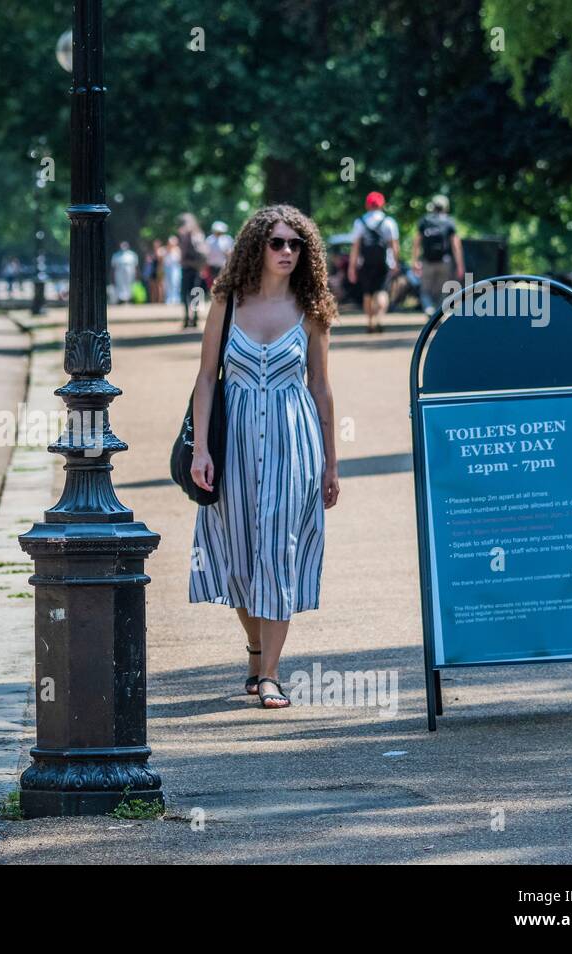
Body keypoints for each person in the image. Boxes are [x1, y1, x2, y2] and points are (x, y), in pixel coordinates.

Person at [188, 205, 340, 709]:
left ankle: (271, 674)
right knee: (237, 556)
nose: (287, 252)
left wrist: (331, 464)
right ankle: (255, 651)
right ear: (257, 247)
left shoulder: (312, 308)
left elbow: (320, 386)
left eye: (296, 244)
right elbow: (206, 379)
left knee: (279, 550)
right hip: (232, 448)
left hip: (293, 445)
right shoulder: (227, 301)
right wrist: (202, 451)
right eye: (277, 242)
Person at [347, 191, 400, 333]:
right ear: (382, 204)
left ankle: (370, 322)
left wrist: (351, 268)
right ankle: (379, 319)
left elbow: (355, 247)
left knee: (367, 294)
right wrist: (395, 263)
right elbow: (394, 245)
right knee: (382, 291)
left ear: (367, 205)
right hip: (383, 263)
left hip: (365, 264)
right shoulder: (389, 222)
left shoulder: (360, 222)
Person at [412, 195, 465, 317]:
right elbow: (456, 246)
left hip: (427, 261)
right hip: (444, 262)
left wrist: (414, 261)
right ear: (446, 207)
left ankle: (429, 309)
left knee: (425, 290)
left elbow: (416, 243)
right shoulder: (449, 222)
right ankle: (438, 314)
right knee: (442, 291)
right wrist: (460, 265)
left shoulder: (424, 221)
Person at [178, 213, 208, 328]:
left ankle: (189, 318)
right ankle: (193, 318)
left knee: (188, 294)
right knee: (195, 293)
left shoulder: (188, 235)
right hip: (195, 269)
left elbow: (183, 254)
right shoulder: (199, 235)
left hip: (189, 268)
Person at [205, 221, 234, 287]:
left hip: (223, 265)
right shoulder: (209, 240)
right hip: (212, 265)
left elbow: (230, 252)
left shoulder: (227, 239)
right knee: (212, 282)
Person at [164, 235, 183, 306]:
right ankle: (169, 298)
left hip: (175, 268)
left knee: (175, 283)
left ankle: (176, 298)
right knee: (168, 283)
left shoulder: (178, 249)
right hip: (167, 268)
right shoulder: (166, 250)